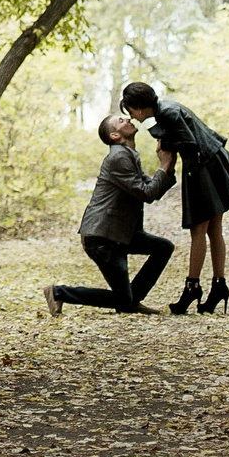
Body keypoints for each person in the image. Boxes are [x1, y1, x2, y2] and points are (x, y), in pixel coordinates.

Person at [121, 80, 229, 315]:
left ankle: (192, 287)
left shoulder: (167, 114)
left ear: (140, 107)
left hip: (204, 166)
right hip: (211, 162)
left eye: (131, 111)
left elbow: (190, 144)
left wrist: (163, 143)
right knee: (214, 229)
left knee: (199, 230)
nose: (132, 117)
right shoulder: (168, 109)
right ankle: (219, 286)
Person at [42, 114, 174, 316]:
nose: (128, 120)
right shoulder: (118, 157)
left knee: (163, 248)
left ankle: (132, 299)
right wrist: (164, 166)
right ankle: (59, 292)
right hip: (102, 237)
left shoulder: (129, 155)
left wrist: (169, 166)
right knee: (122, 302)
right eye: (121, 121)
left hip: (122, 235)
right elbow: (147, 194)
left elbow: (152, 190)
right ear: (114, 135)